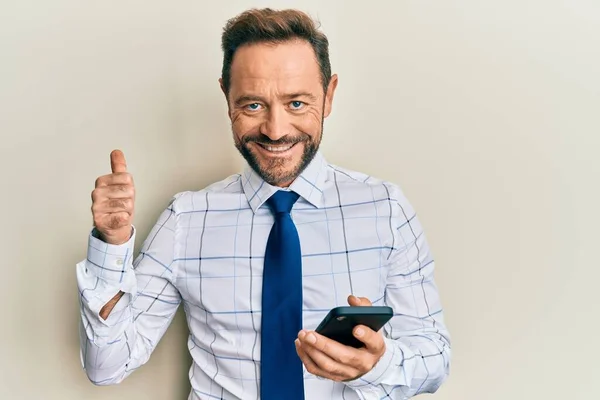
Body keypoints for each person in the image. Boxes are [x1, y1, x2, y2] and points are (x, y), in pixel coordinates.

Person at [77, 8, 451, 400]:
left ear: (329, 95)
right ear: (227, 97)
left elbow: (435, 356)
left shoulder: (385, 208)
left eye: (296, 104)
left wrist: (379, 365)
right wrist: (111, 244)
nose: (275, 131)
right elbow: (106, 366)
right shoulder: (185, 219)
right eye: (253, 105)